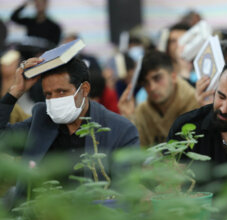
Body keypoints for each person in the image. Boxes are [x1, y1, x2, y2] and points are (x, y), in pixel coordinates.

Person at [0, 56, 139, 193]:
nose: (54, 100)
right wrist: (15, 92)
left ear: (84, 89)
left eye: (61, 92)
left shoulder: (120, 130)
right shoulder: (41, 121)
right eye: (48, 94)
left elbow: (125, 193)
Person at [118, 50, 199, 146]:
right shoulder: (142, 111)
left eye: (157, 78)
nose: (152, 88)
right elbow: (137, 156)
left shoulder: (196, 103)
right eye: (145, 83)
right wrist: (128, 119)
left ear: (173, 76)